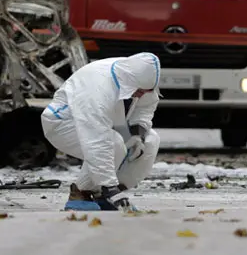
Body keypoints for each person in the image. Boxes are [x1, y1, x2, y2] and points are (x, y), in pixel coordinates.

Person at [41, 52, 162, 211]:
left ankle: (106, 195)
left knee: (151, 140)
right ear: (129, 82)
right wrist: (109, 186)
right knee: (114, 144)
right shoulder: (97, 87)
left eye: (147, 91)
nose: (142, 95)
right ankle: (82, 193)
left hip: (108, 123)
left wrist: (137, 133)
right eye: (140, 91)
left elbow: (146, 105)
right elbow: (96, 141)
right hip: (63, 123)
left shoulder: (140, 79)